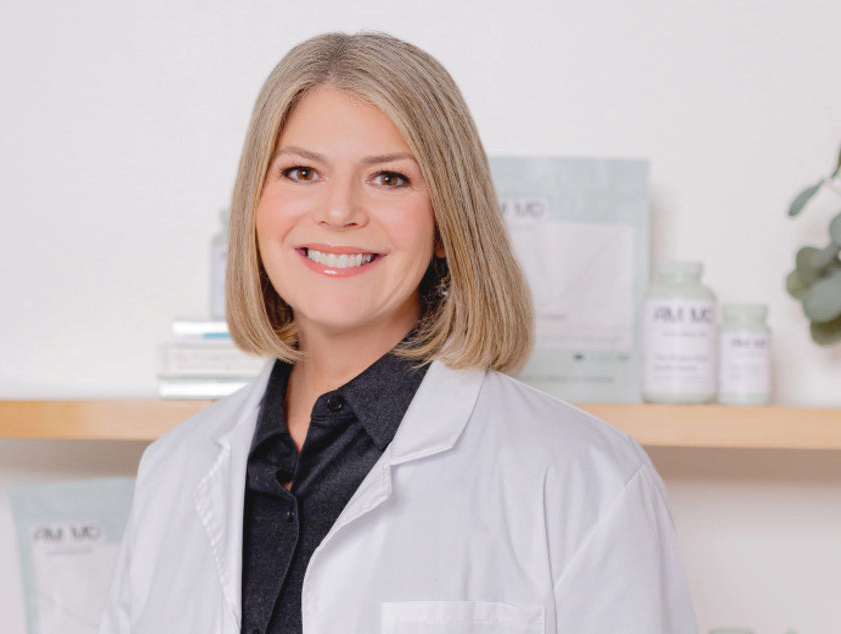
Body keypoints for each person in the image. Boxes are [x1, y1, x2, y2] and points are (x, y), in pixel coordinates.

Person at [98, 32, 695, 634]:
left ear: (446, 224)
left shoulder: (586, 478)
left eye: (388, 179)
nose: (338, 212)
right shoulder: (172, 469)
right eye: (301, 171)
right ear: (254, 206)